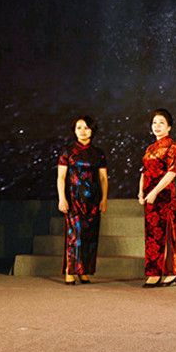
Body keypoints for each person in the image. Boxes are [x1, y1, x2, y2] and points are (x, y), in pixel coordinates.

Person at [57, 116, 108, 285]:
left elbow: (103, 178)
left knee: (90, 236)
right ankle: (70, 270)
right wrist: (62, 198)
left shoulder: (98, 153)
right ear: (74, 130)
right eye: (79, 127)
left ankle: (83, 271)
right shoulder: (67, 151)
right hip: (74, 198)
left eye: (86, 128)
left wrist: (104, 199)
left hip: (93, 199)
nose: (82, 131)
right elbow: (61, 177)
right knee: (74, 235)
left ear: (92, 130)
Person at [139, 109, 176, 288]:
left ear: (169, 127)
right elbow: (144, 171)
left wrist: (155, 191)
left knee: (166, 233)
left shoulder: (172, 146)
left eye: (161, 123)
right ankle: (154, 272)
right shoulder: (150, 148)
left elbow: (172, 172)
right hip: (149, 196)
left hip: (163, 196)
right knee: (151, 235)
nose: (157, 126)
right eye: (154, 123)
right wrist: (141, 192)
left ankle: (172, 273)